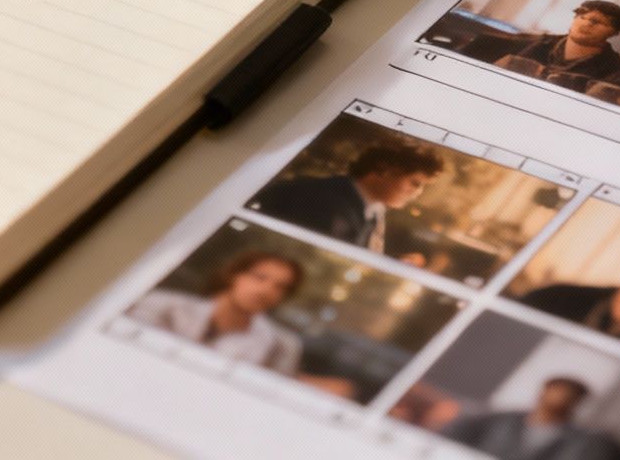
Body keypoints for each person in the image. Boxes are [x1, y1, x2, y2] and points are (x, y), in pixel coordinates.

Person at [249, 142, 445, 255]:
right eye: (414, 183)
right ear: (385, 169)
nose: (417, 193)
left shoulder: (371, 211)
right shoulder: (326, 204)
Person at [125, 250, 305, 372]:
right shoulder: (162, 305)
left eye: (280, 287)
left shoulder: (280, 347)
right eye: (259, 277)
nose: (266, 291)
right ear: (235, 275)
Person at [475, 0, 620, 111]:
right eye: (581, 16)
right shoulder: (519, 45)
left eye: (598, 22)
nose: (587, 23)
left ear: (615, 32)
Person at [439, 376, 620, 460]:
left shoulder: (587, 442)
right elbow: (450, 438)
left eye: (569, 397)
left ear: (577, 402)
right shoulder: (498, 421)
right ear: (543, 393)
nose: (560, 400)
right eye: (556, 393)